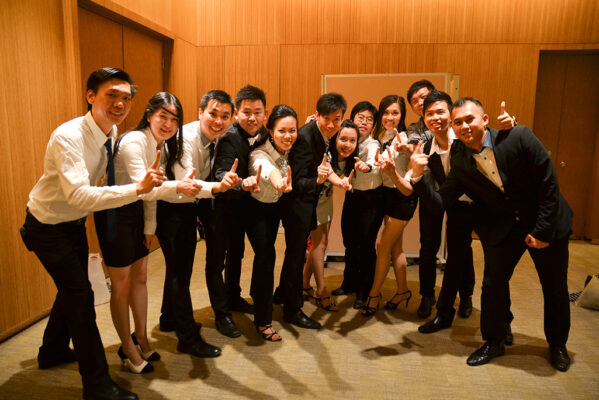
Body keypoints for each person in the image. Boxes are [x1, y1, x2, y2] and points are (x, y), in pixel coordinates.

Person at [19, 67, 166, 400]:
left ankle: (52, 350)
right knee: (81, 299)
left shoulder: (111, 132)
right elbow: (79, 196)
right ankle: (97, 385)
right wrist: (137, 189)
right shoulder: (68, 136)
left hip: (73, 224)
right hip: (47, 226)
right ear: (90, 96)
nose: (120, 104)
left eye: (126, 97)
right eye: (111, 95)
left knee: (73, 289)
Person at [410, 97, 573, 371]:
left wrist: (543, 231)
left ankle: (557, 345)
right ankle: (494, 341)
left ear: (484, 120)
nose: (464, 126)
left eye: (469, 119)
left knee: (554, 287)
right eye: (458, 122)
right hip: (506, 225)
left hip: (546, 221)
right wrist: (416, 176)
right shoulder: (460, 159)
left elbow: (549, 185)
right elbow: (439, 203)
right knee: (492, 284)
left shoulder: (519, 137)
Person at [414, 90, 516, 330]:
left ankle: (503, 323)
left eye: (441, 112)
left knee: (496, 267)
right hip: (457, 207)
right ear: (423, 118)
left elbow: (494, 140)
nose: (436, 118)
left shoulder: (465, 135)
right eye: (430, 114)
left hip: (486, 207)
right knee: (454, 261)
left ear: (451, 114)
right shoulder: (427, 146)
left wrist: (512, 124)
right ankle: (444, 314)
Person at [274, 93, 347, 329]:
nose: (331, 125)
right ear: (317, 115)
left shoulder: (325, 135)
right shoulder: (306, 137)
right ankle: (292, 310)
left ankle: (282, 294)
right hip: (296, 205)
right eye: (326, 118)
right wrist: (317, 180)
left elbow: (328, 165)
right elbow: (297, 181)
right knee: (296, 257)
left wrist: (338, 181)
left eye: (336, 119)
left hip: (307, 203)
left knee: (294, 255)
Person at [207, 85, 266, 338]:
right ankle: (221, 314)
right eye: (246, 112)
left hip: (244, 207)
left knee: (237, 254)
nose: (252, 118)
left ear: (265, 113)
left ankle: (233, 296)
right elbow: (221, 172)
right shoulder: (229, 136)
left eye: (257, 112)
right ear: (237, 114)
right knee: (216, 261)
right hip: (221, 207)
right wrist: (240, 183)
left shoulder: (264, 133)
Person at [361, 95, 417, 316]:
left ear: (402, 115)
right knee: (395, 248)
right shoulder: (381, 135)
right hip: (385, 194)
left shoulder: (403, 138)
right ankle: (403, 291)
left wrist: (406, 150)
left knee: (382, 246)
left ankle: (374, 295)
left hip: (401, 196)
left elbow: (402, 157)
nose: (389, 117)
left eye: (395, 113)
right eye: (385, 112)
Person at [246, 104, 297, 341]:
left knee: (266, 256)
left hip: (274, 208)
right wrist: (278, 182)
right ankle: (263, 320)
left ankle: (258, 295)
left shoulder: (290, 150)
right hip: (255, 211)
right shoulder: (260, 153)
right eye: (282, 131)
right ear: (270, 131)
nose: (288, 136)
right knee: (267, 257)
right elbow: (266, 169)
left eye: (292, 130)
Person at [302, 120, 357, 311]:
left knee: (319, 244)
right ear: (335, 139)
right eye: (343, 139)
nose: (347, 144)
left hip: (326, 202)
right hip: (313, 202)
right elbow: (330, 172)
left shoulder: (349, 158)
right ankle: (322, 290)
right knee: (320, 245)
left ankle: (304, 283)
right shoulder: (327, 154)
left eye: (352, 140)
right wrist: (340, 182)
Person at [336, 102, 383, 309]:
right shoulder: (348, 139)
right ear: (352, 118)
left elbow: (373, 160)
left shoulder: (372, 143)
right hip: (353, 196)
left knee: (366, 245)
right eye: (360, 117)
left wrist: (367, 166)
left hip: (371, 200)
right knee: (349, 242)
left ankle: (364, 291)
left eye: (369, 119)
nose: (364, 122)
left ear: (374, 124)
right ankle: (349, 283)